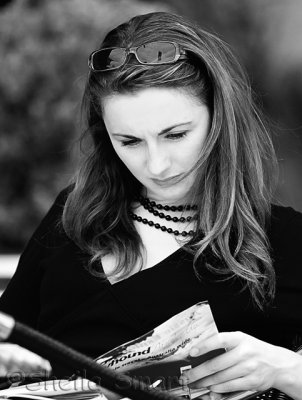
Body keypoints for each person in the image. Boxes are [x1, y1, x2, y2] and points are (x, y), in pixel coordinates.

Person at [0, 11, 301, 399]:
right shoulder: (74, 218)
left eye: (175, 135)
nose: (156, 165)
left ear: (220, 120)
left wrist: (286, 369)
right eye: (129, 141)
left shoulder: (288, 242)